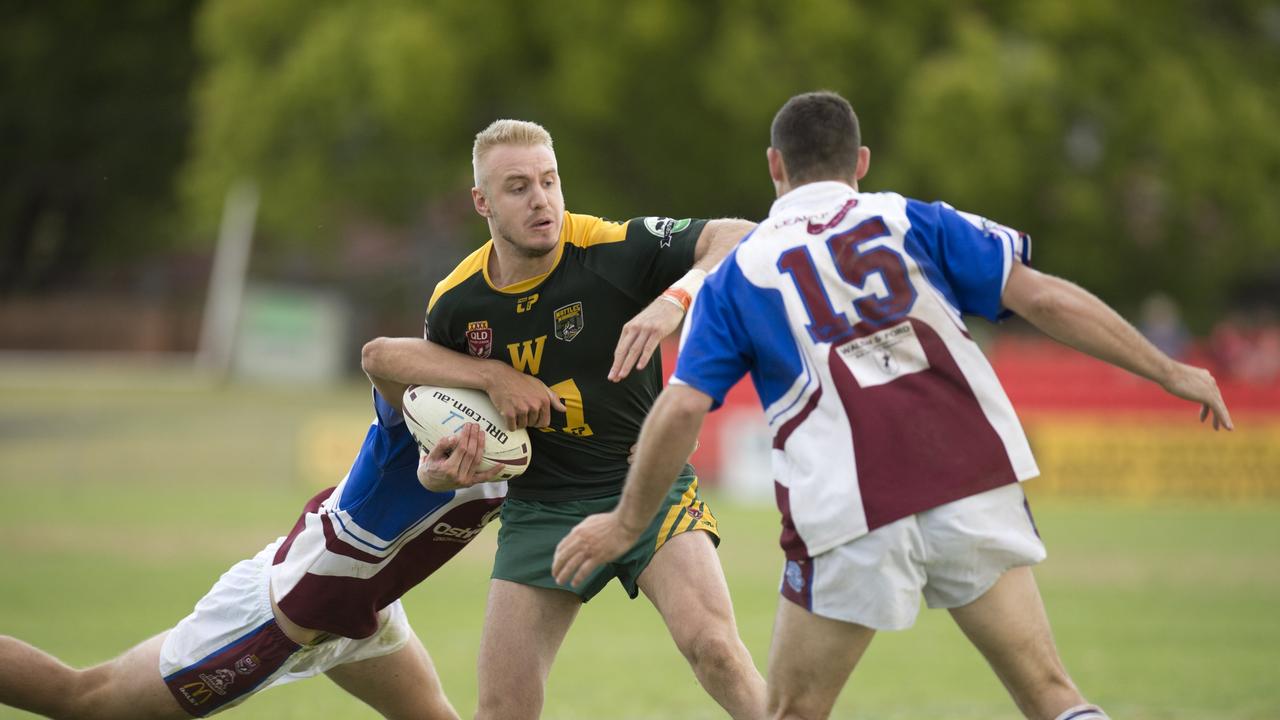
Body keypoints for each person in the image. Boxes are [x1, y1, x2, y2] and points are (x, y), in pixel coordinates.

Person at [552, 91, 1234, 720]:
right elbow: (1046, 299)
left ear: (774, 166)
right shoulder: (914, 218)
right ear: (862, 161)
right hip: (969, 477)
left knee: (791, 712)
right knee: (1051, 694)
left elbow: (679, 409)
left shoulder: (741, 271)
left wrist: (624, 523)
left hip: (850, 507)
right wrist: (1169, 371)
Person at [360, 118, 767, 720]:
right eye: (518, 186)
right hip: (540, 508)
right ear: (483, 202)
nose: (541, 200)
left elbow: (745, 235)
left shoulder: (611, 249)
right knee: (502, 709)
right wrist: (451, 453)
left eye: (549, 181)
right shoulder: (457, 303)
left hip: (646, 489)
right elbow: (389, 367)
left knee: (716, 651)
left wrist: (674, 298)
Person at [0, 360, 528, 719]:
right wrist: (488, 375)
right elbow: (380, 355)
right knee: (84, 701)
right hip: (281, 618)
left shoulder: (532, 438)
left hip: (366, 613)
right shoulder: (435, 405)